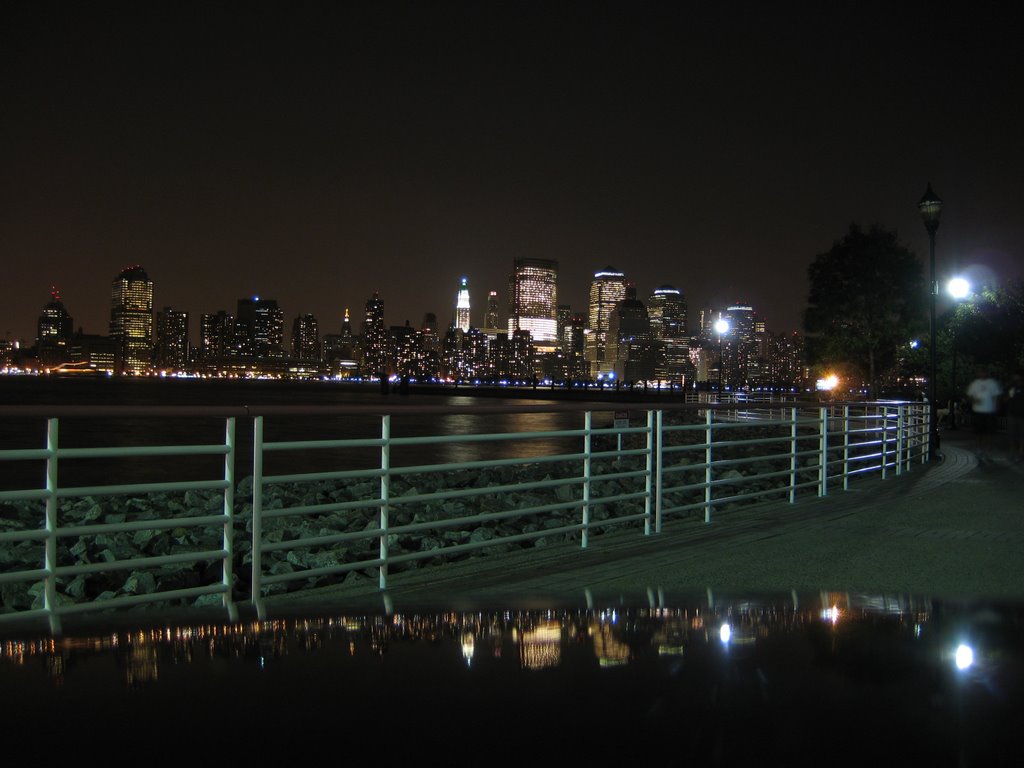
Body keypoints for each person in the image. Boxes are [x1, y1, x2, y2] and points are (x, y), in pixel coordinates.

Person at [965, 367, 1003, 457]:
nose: (981, 374)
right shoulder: (974, 384)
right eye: (979, 372)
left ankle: (988, 449)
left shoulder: (992, 383)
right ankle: (979, 448)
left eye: (983, 372)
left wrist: (996, 407)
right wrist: (974, 400)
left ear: (986, 373)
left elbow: (997, 396)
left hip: (990, 411)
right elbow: (969, 396)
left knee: (989, 432)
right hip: (978, 411)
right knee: (978, 432)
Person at [1007, 370, 1024, 461]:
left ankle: (1021, 452)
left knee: (1022, 435)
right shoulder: (1011, 387)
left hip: (1022, 415)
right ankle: (1012, 452)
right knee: (1012, 434)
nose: (1014, 378)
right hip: (1012, 414)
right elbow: (1006, 400)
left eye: (1016, 376)